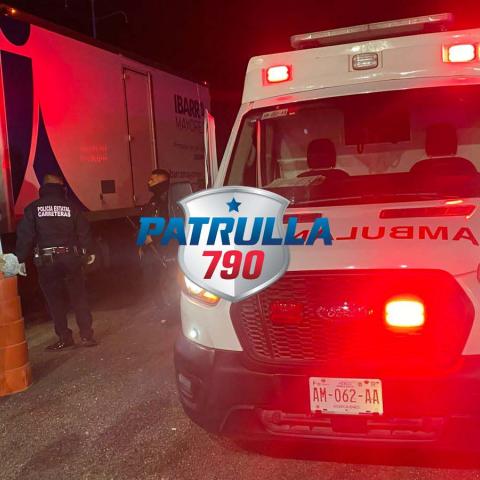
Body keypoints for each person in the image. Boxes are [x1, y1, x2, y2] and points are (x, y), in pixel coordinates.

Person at [15, 173, 97, 351]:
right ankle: (86, 335)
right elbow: (84, 231)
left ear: (44, 187)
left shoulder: (33, 209)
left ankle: (64, 338)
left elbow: (25, 236)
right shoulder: (71, 207)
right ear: (61, 187)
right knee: (79, 297)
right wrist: (89, 251)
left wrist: (20, 259)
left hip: (47, 261)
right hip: (71, 259)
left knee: (55, 301)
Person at [139, 168, 178, 313]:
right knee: (151, 281)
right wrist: (141, 245)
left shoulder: (169, 201)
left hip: (164, 249)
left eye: (152, 179)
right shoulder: (153, 201)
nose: (149, 182)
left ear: (162, 180)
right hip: (151, 250)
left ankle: (171, 311)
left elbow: (171, 223)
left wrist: (154, 237)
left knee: (168, 282)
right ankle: (163, 309)